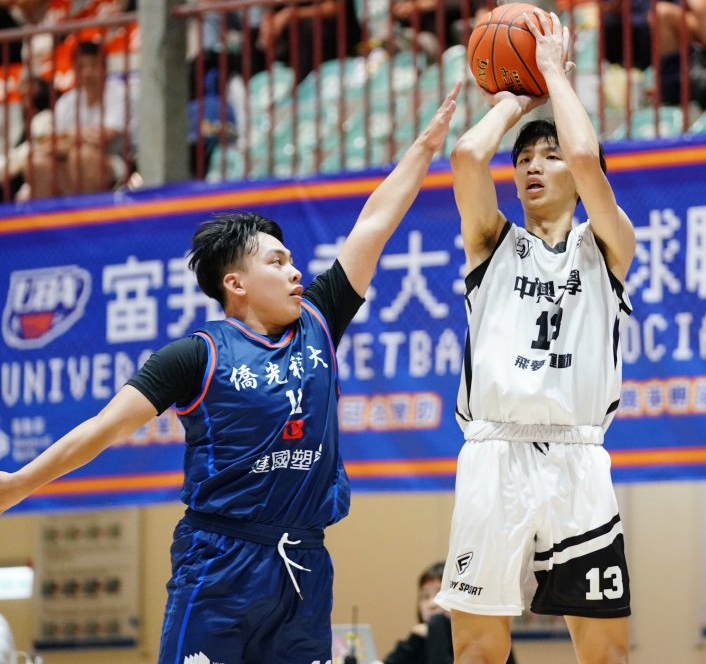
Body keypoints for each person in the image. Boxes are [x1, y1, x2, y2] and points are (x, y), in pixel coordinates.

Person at [0, 83, 461, 664]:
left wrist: (425, 146)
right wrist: (19, 483)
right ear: (235, 283)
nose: (295, 271)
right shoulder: (194, 356)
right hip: (219, 563)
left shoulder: (319, 319)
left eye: (293, 261)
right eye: (277, 261)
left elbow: (374, 223)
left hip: (303, 568)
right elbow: (104, 428)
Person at [439, 10, 635, 664]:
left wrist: (553, 74)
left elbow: (585, 155)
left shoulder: (606, 245)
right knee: (476, 651)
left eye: (547, 157)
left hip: (577, 457)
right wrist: (515, 101)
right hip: (493, 453)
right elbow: (468, 156)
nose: (533, 165)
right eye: (524, 158)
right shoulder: (491, 244)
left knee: (605, 655)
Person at [29, 41, 130, 196]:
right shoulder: (66, 101)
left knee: (81, 156)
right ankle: (54, 212)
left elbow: (102, 138)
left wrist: (70, 134)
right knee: (37, 162)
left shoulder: (119, 93)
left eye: (93, 65)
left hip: (114, 161)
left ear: (104, 67)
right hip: (68, 159)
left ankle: (90, 210)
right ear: (74, 69)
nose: (87, 72)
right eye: (81, 67)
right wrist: (76, 136)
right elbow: (54, 142)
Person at [385, 563, 516, 664]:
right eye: (425, 596)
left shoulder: (486, 636)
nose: (432, 604)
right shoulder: (419, 639)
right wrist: (414, 639)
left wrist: (437, 624)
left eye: (440, 594)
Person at [259, 0, 362, 76]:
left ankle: (303, 83)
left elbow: (333, 8)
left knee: (311, 28)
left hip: (336, 36)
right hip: (295, 39)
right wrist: (267, 25)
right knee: (251, 37)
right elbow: (273, 4)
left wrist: (291, 14)